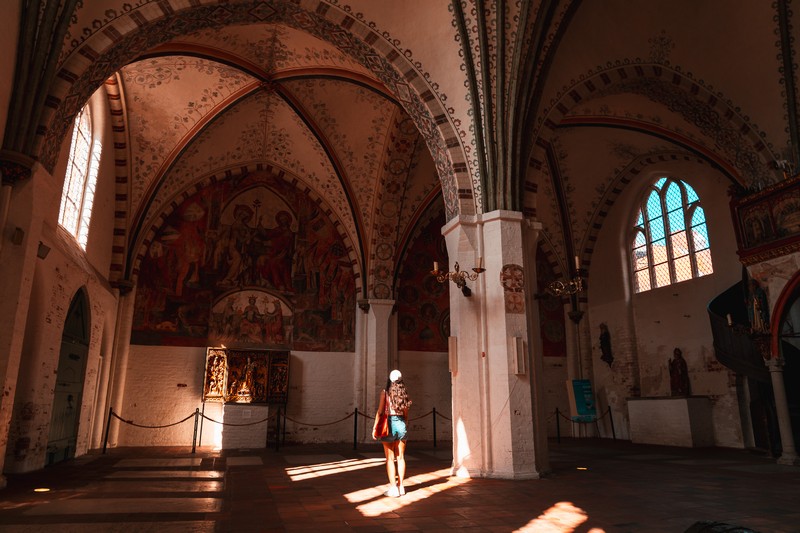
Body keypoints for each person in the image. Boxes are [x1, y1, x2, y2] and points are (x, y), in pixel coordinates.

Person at [372, 369, 412, 497]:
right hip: (401, 424)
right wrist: (404, 424)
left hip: (388, 424)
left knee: (390, 459)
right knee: (400, 458)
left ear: (389, 379)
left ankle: (393, 488)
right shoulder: (404, 393)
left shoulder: (385, 393)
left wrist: (374, 428)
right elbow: (406, 414)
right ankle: (401, 486)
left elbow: (380, 412)